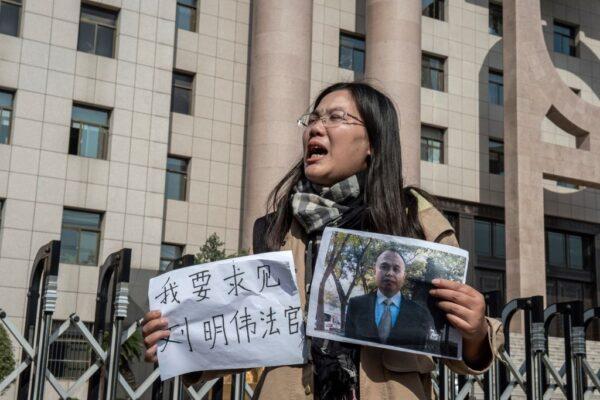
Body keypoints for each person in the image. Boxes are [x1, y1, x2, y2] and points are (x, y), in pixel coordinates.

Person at [142, 82, 504, 400]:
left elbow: (462, 341)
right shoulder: (274, 230)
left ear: (373, 144)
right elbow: (242, 332)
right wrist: (179, 340)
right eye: (313, 119)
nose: (317, 126)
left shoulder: (414, 220)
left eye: (335, 117)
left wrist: (474, 332)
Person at [344, 249, 435, 350]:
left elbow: (418, 352)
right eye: (384, 267)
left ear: (404, 277)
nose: (390, 273)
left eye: (396, 269)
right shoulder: (356, 305)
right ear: (375, 271)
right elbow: (348, 346)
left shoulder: (419, 313)